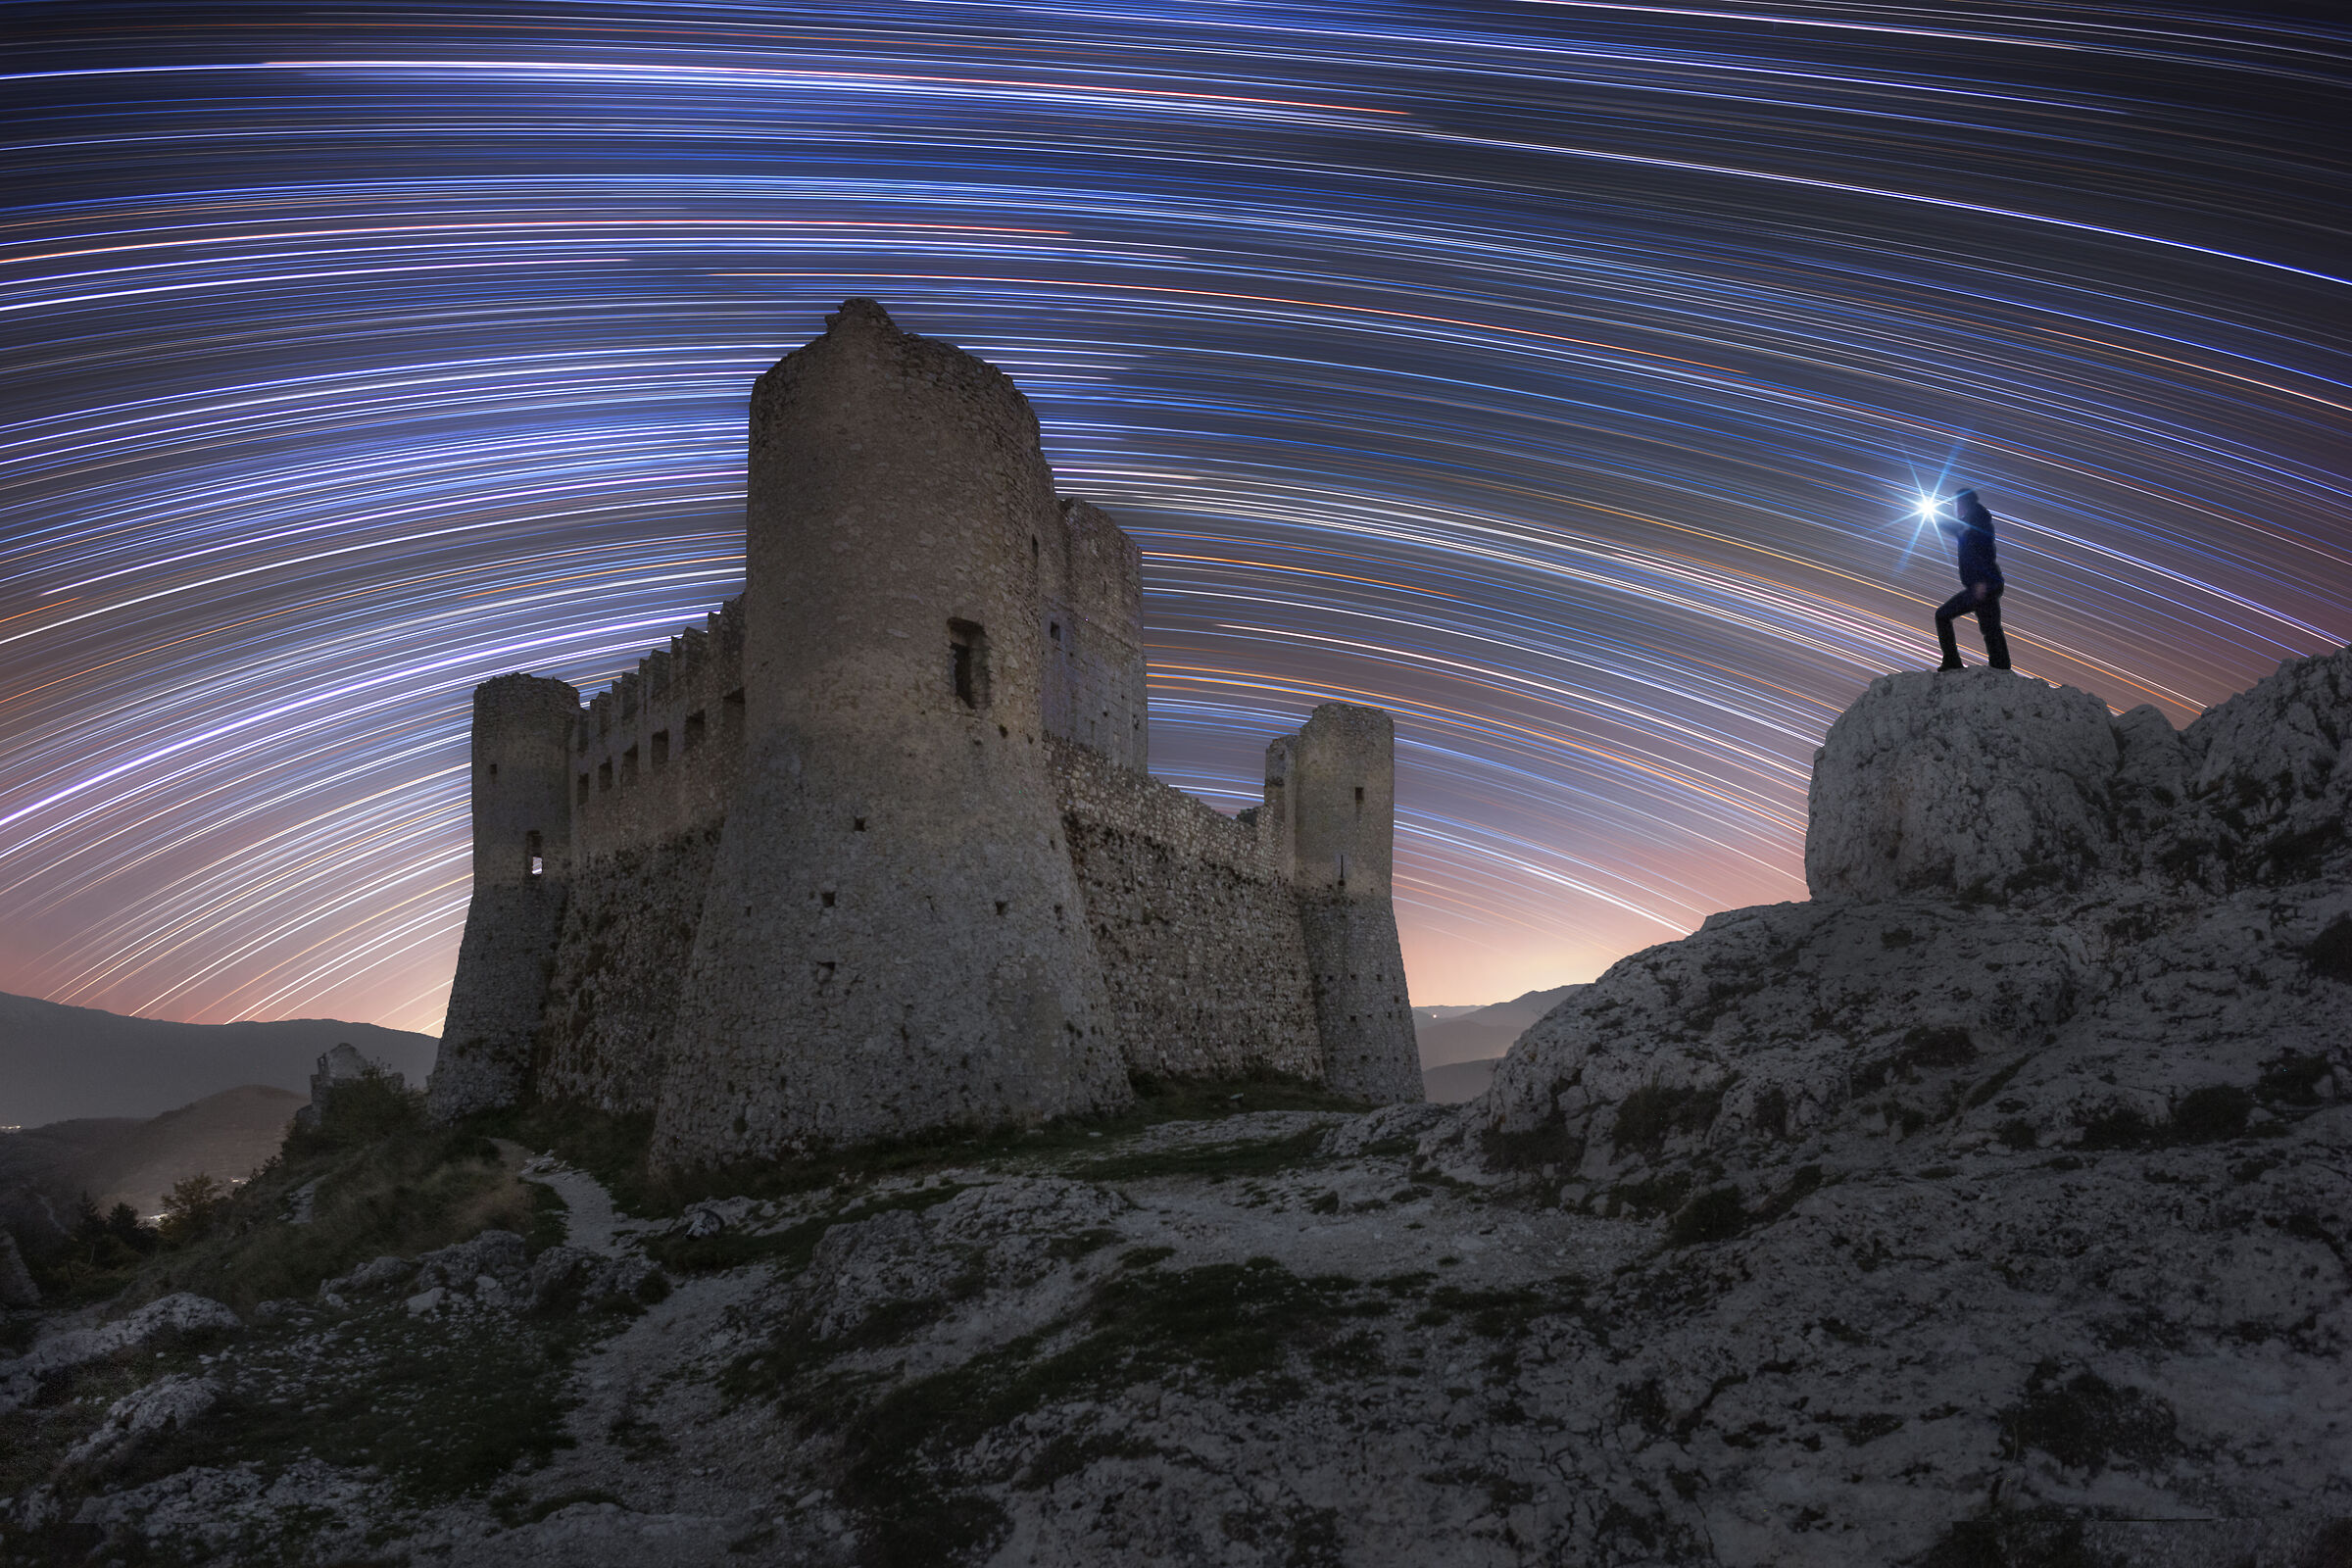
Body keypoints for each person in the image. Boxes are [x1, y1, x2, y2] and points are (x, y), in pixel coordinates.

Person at [1933, 488, 2010, 671]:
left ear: (1963, 503)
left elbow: (1984, 550)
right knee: (1990, 629)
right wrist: (1936, 517)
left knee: (1943, 616)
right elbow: (1954, 526)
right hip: (1984, 584)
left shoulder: (1977, 521)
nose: (1954, 507)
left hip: (1983, 584)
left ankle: (1954, 661)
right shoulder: (1969, 522)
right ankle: (2000, 668)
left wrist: (1981, 581)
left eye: (1955, 503)